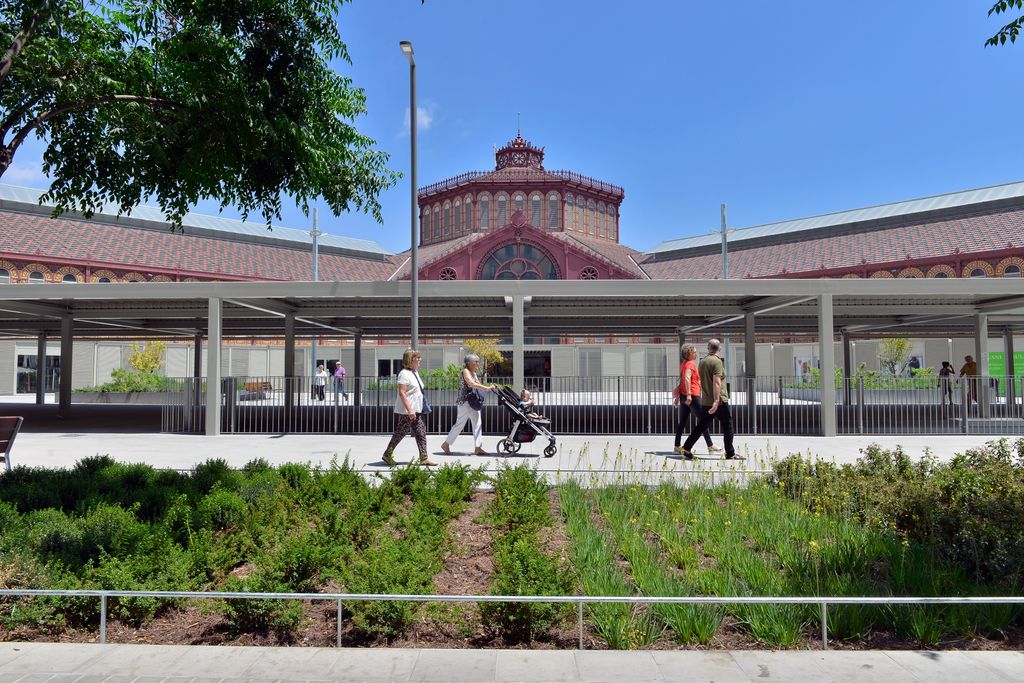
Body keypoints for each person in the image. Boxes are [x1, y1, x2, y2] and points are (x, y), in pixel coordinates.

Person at [680, 339, 742, 461]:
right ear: (720, 349)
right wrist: (716, 401)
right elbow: (717, 382)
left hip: (706, 400)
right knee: (727, 425)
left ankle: (686, 447)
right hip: (718, 401)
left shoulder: (702, 362)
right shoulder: (717, 362)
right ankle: (730, 453)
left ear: (708, 348)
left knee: (702, 425)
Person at [382, 349, 435, 467]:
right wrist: (410, 410)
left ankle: (424, 457)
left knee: (420, 432)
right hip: (408, 410)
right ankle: (387, 454)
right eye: (417, 357)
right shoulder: (404, 374)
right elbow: (402, 393)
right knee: (400, 433)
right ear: (411, 360)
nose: (420, 359)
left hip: (416, 409)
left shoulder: (414, 372)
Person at [441, 353, 496, 455]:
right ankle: (446, 444)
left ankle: (478, 447)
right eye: (476, 362)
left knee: (477, 424)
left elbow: (478, 385)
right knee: (460, 425)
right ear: (469, 363)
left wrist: (489, 387)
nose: (478, 364)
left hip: (473, 402)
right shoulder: (465, 371)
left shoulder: (473, 373)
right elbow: (471, 383)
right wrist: (487, 388)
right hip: (465, 403)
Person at [672, 345, 722, 456]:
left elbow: (682, 380)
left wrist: (679, 396)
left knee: (682, 422)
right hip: (692, 396)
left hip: (684, 395)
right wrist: (689, 394)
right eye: (694, 352)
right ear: (689, 354)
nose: (696, 353)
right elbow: (686, 378)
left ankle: (676, 446)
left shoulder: (684, 364)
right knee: (703, 421)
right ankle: (710, 445)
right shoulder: (690, 364)